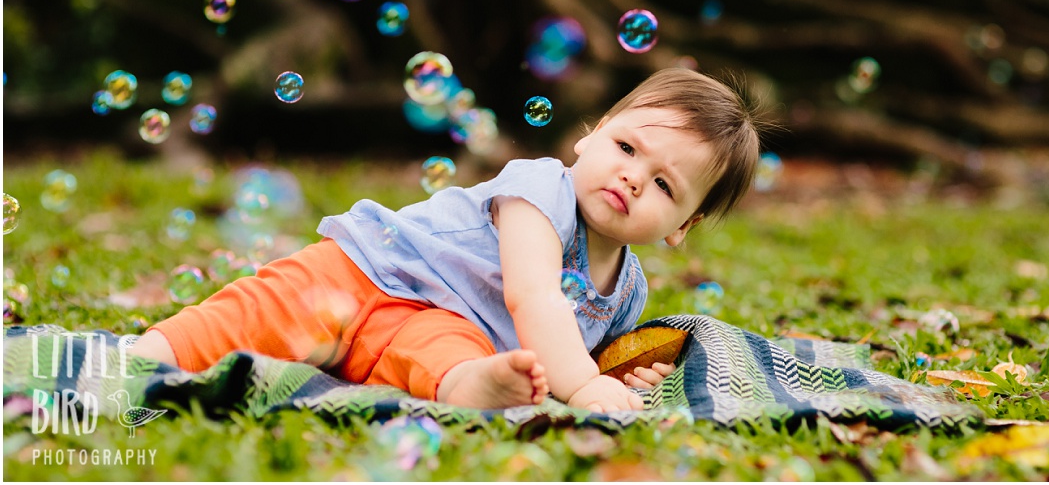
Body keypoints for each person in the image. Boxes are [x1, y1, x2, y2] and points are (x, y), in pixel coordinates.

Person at [130, 68, 762, 413]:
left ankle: (469, 387)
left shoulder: (626, 291)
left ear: (682, 226)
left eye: (664, 185)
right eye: (626, 147)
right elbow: (534, 298)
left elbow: (568, 351)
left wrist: (620, 375)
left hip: (433, 322)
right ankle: (148, 355)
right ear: (587, 138)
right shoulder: (538, 191)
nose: (631, 176)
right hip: (361, 273)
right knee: (268, 312)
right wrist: (584, 387)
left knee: (453, 354)